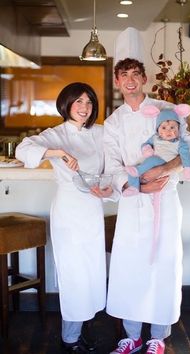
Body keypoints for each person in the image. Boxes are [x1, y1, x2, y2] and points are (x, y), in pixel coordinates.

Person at [103, 58, 190, 354]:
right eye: (123, 76)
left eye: (135, 74)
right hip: (133, 203)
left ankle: (158, 336)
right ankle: (132, 336)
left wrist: (163, 170)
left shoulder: (163, 110)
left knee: (164, 264)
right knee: (130, 267)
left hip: (166, 199)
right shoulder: (113, 122)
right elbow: (112, 167)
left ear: (144, 79)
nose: (130, 80)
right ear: (117, 82)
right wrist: (141, 185)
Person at [15, 82, 112, 353]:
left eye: (89, 102)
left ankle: (85, 328)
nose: (84, 107)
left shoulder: (101, 133)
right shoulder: (55, 134)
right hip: (68, 212)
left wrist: (108, 188)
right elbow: (22, 150)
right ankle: (69, 338)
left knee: (93, 273)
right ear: (66, 104)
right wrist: (58, 152)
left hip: (93, 208)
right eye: (78, 101)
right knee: (74, 275)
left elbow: (114, 165)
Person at [123, 104, 190, 196]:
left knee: (150, 161)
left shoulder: (180, 142)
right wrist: (147, 149)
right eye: (164, 128)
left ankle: (137, 171)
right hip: (151, 164)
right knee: (134, 170)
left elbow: (186, 156)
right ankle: (134, 188)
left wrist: (188, 170)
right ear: (158, 130)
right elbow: (145, 144)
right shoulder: (155, 138)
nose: (168, 131)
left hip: (165, 162)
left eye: (172, 127)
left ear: (178, 129)